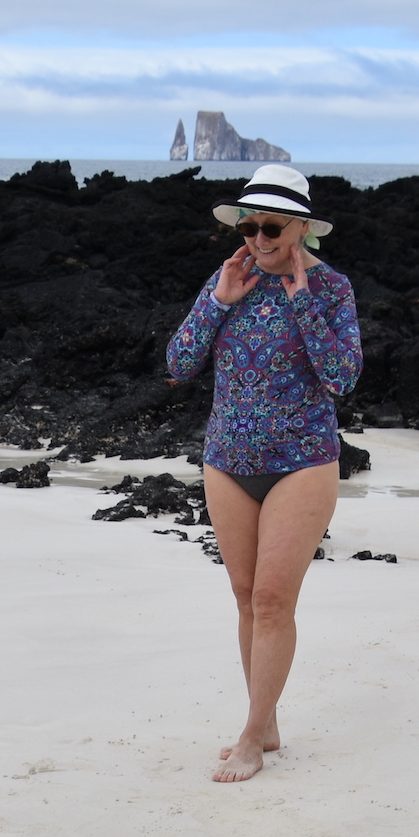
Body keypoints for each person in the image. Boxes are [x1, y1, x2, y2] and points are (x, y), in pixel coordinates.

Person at [164, 164, 363, 783]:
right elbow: (177, 364)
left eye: (270, 226)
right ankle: (266, 718)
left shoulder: (331, 289)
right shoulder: (230, 278)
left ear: (300, 227)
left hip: (301, 461)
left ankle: (251, 737)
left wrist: (302, 301)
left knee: (275, 600)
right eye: (248, 226)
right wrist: (218, 302)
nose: (257, 237)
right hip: (228, 459)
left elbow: (342, 378)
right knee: (246, 597)